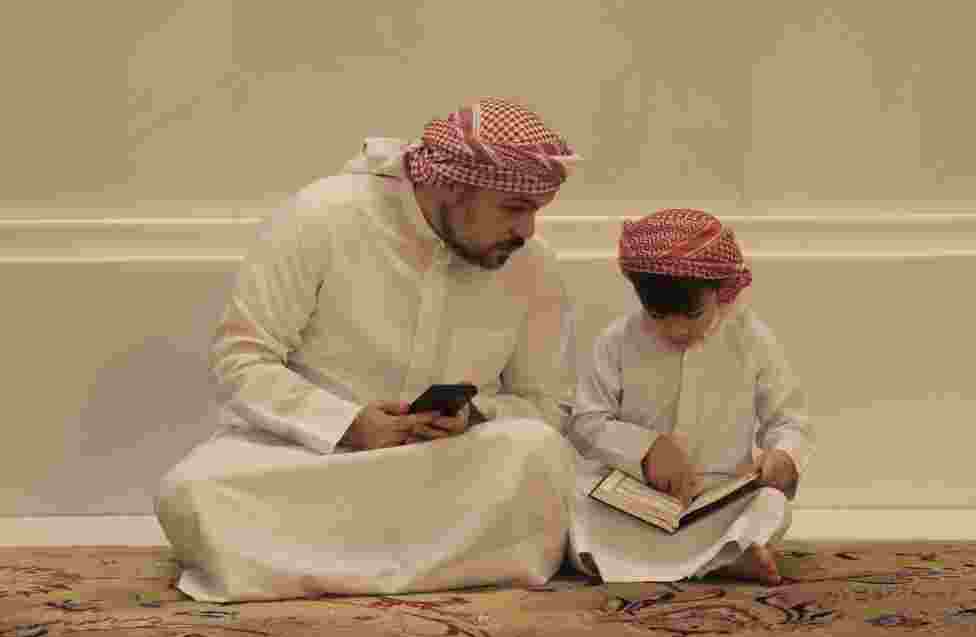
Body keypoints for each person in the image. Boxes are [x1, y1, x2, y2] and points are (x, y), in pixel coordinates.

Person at [154, 97, 584, 603]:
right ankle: (452, 564)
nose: (527, 231)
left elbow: (547, 405)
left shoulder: (532, 265)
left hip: (448, 469)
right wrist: (347, 423)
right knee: (192, 492)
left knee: (539, 453)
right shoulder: (323, 216)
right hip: (316, 463)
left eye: (535, 212)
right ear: (448, 185)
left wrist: (475, 416)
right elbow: (241, 359)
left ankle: (308, 569)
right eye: (514, 209)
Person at [566, 208, 815, 586]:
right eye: (658, 316)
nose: (675, 329)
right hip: (635, 499)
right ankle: (720, 560)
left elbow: (788, 419)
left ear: (720, 290)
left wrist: (783, 456)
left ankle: (718, 551)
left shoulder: (751, 339)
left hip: (719, 498)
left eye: (692, 314)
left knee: (771, 506)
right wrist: (644, 449)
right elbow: (585, 424)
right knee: (573, 497)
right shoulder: (616, 341)